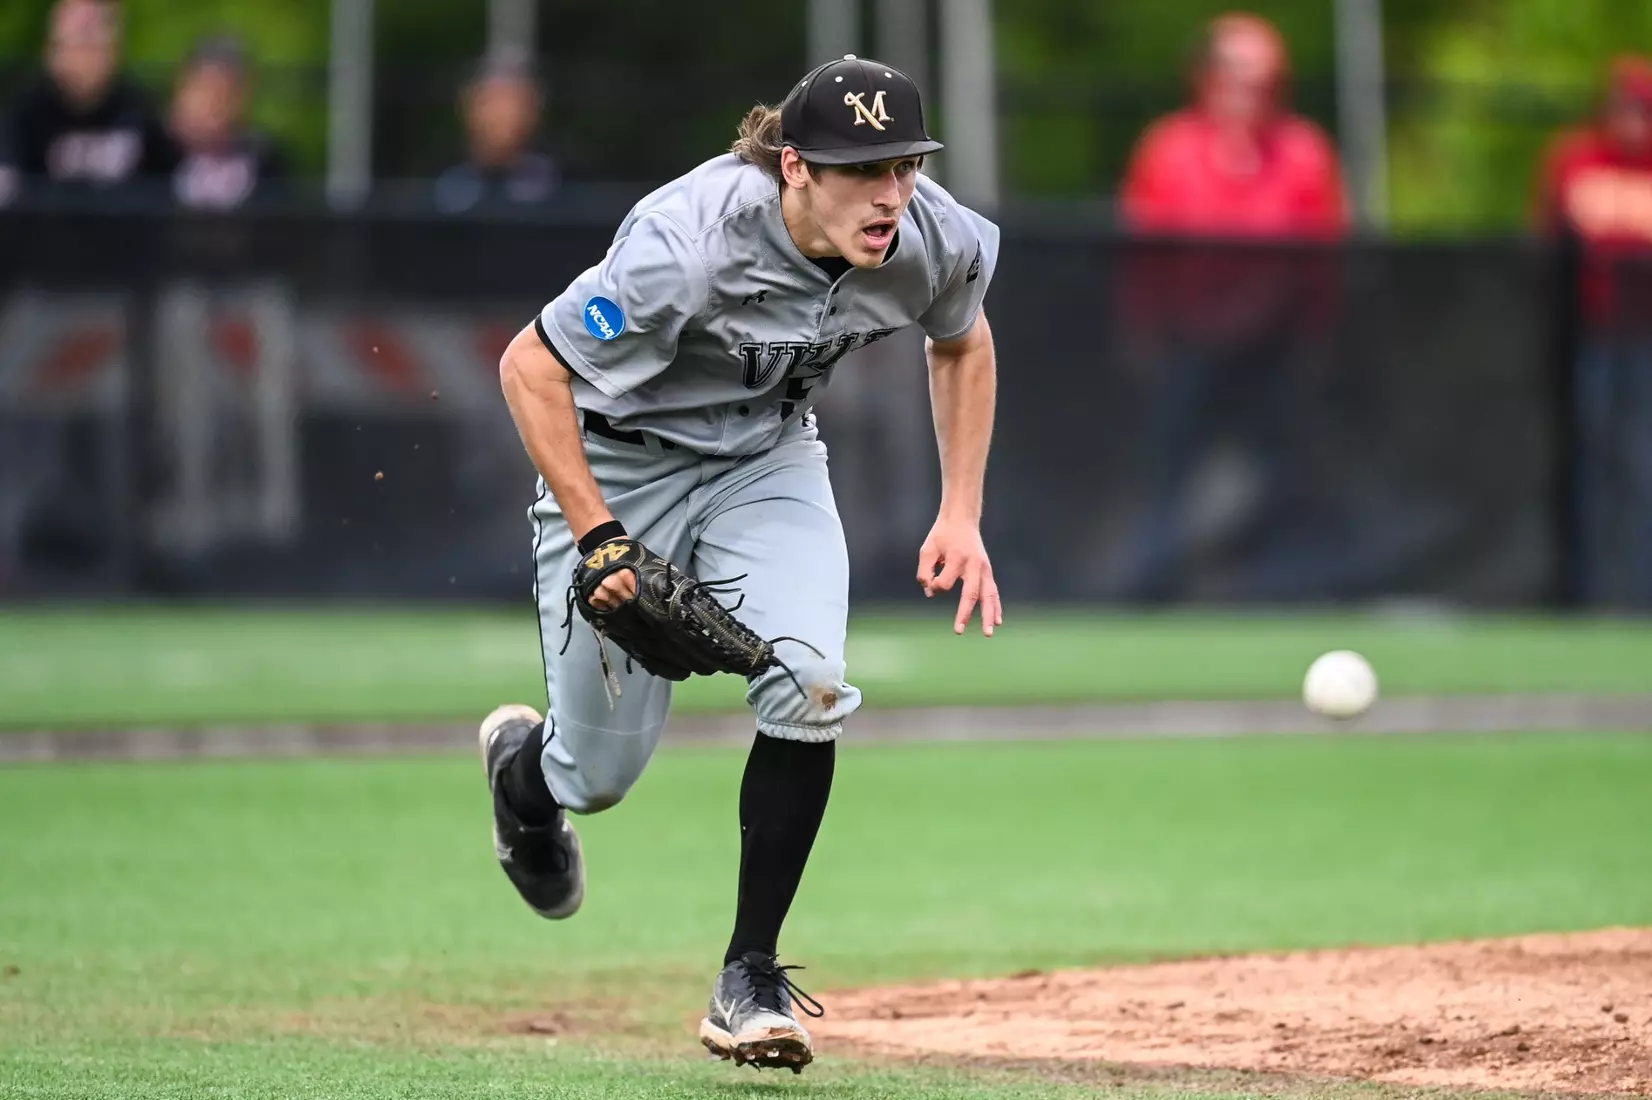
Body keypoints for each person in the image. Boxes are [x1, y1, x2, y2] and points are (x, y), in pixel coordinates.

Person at [480, 55, 1001, 1073]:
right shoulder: (689, 241)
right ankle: (525, 782)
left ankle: (748, 972)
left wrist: (962, 508)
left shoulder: (923, 233)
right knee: (600, 775)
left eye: (901, 163)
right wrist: (600, 537)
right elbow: (527, 366)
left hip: (766, 458)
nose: (889, 191)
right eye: (862, 168)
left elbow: (962, 341)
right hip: (621, 468)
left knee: (809, 679)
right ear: (796, 166)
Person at [1111, 13, 1350, 601]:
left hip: (1277, 346)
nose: (1256, 91)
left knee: (1286, 474)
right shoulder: (1169, 150)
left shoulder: (1303, 152)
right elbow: (1140, 257)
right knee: (1171, 471)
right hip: (1188, 344)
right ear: (1209, 77)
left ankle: (1278, 591)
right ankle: (1154, 592)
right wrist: (1143, 332)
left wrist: (1317, 339)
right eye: (1243, 74)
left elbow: (1327, 257)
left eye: (1269, 78)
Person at [1536, 55, 1652, 605]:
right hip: (1592, 339)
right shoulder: (1579, 158)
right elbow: (1549, 233)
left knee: (1644, 466)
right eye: (1627, 108)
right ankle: (1593, 593)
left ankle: (1641, 592)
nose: (1635, 121)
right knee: (1592, 467)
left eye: (1645, 111)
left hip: (1647, 341)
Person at [0, 0, 176, 206]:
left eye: (95, 45)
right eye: (77, 44)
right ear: (51, 51)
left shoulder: (139, 108)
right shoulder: (26, 111)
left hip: (123, 234)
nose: (85, 58)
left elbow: (171, 177)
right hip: (46, 233)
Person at [167, 34, 286, 210]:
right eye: (203, 92)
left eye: (223, 97)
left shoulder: (266, 162)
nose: (212, 108)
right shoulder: (151, 150)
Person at [432, 49, 559, 214]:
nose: (502, 115)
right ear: (467, 107)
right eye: (491, 101)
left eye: (514, 103)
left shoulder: (568, 186)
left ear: (534, 112)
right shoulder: (437, 182)